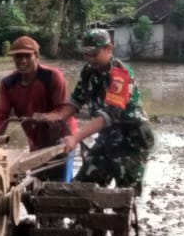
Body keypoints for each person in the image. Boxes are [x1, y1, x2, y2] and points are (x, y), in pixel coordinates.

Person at [53, 27, 154, 190]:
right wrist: (57, 119)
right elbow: (76, 100)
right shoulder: (88, 71)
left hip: (132, 140)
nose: (90, 59)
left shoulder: (121, 74)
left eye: (94, 53)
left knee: (124, 195)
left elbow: (107, 116)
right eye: (86, 53)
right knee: (82, 187)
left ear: (109, 49)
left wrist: (75, 137)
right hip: (107, 137)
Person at [0, 35, 76, 180]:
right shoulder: (8, 84)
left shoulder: (52, 76)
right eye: (18, 56)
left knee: (61, 186)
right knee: (37, 186)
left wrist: (45, 116)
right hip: (36, 140)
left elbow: (62, 110)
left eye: (27, 56)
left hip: (61, 138)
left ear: (36, 56)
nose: (23, 61)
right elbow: (1, 115)